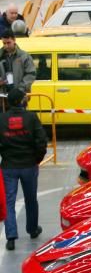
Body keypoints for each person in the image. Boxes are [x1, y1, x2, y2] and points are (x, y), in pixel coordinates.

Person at [0, 87, 46, 251]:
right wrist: (37, 160)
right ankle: (32, 229)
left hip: (8, 166)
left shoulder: (2, 119)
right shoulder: (31, 118)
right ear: (21, 101)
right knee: (31, 198)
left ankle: (11, 237)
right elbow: (41, 142)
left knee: (9, 201)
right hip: (29, 165)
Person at [0, 30, 35, 95]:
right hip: (2, 95)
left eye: (8, 43)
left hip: (20, 96)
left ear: (14, 40)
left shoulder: (24, 56)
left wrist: (20, 89)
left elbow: (31, 74)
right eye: (4, 43)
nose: (6, 46)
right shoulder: (1, 56)